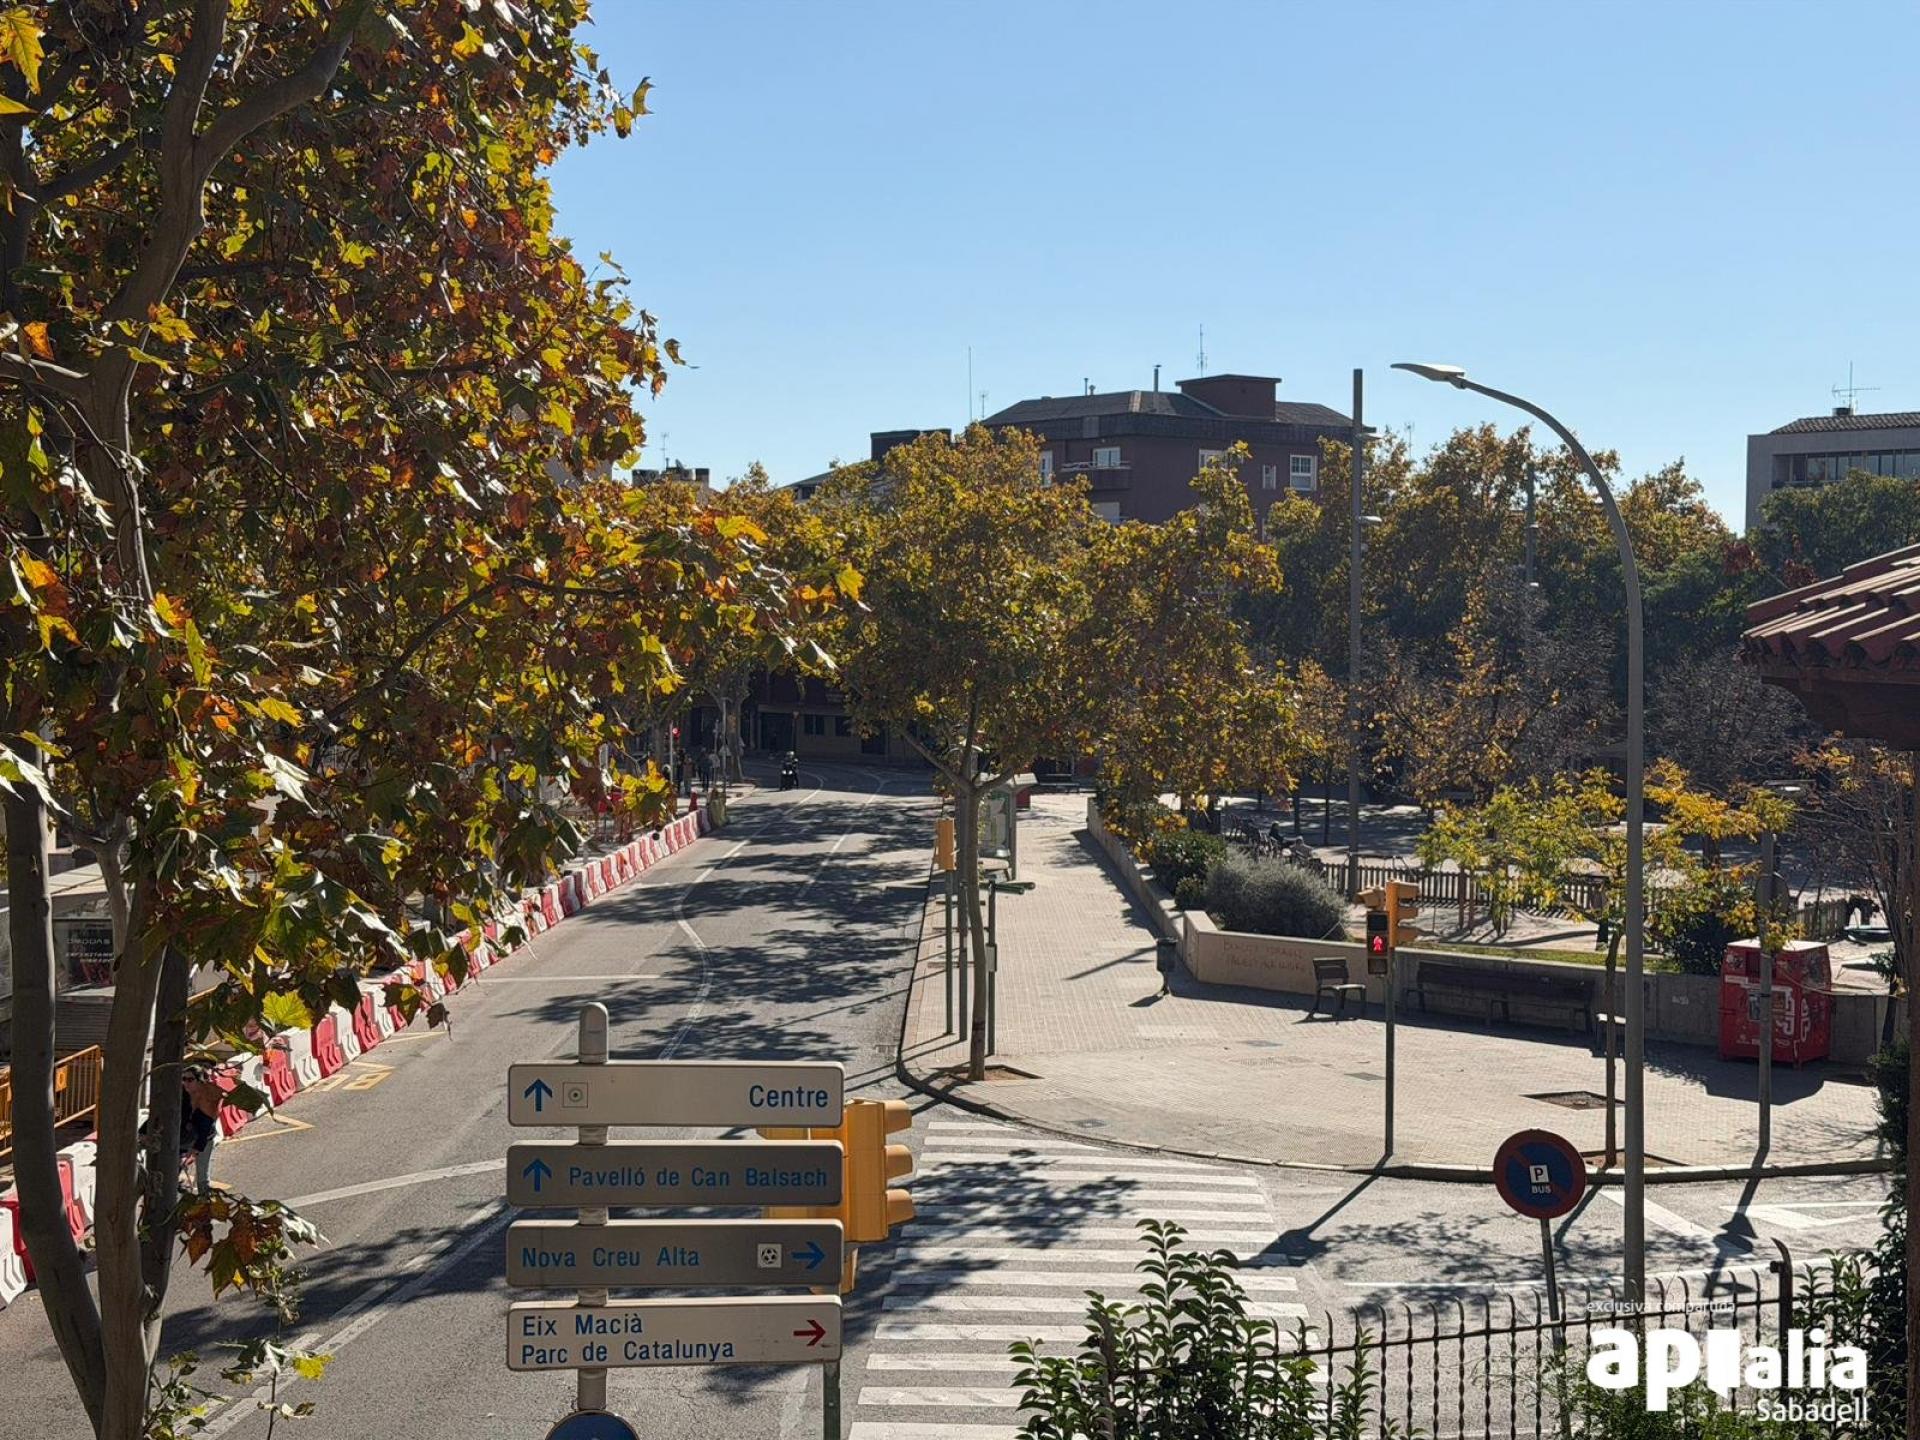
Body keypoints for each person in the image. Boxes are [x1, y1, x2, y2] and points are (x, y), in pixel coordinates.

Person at [180, 1069, 221, 1192]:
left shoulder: (206, 1098)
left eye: (190, 1080)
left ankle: (204, 1198)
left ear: (199, 1081)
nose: (186, 1083)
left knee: (202, 1178)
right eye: (184, 1079)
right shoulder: (184, 1093)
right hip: (188, 1137)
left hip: (204, 1139)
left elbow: (205, 1128)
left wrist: (194, 1152)